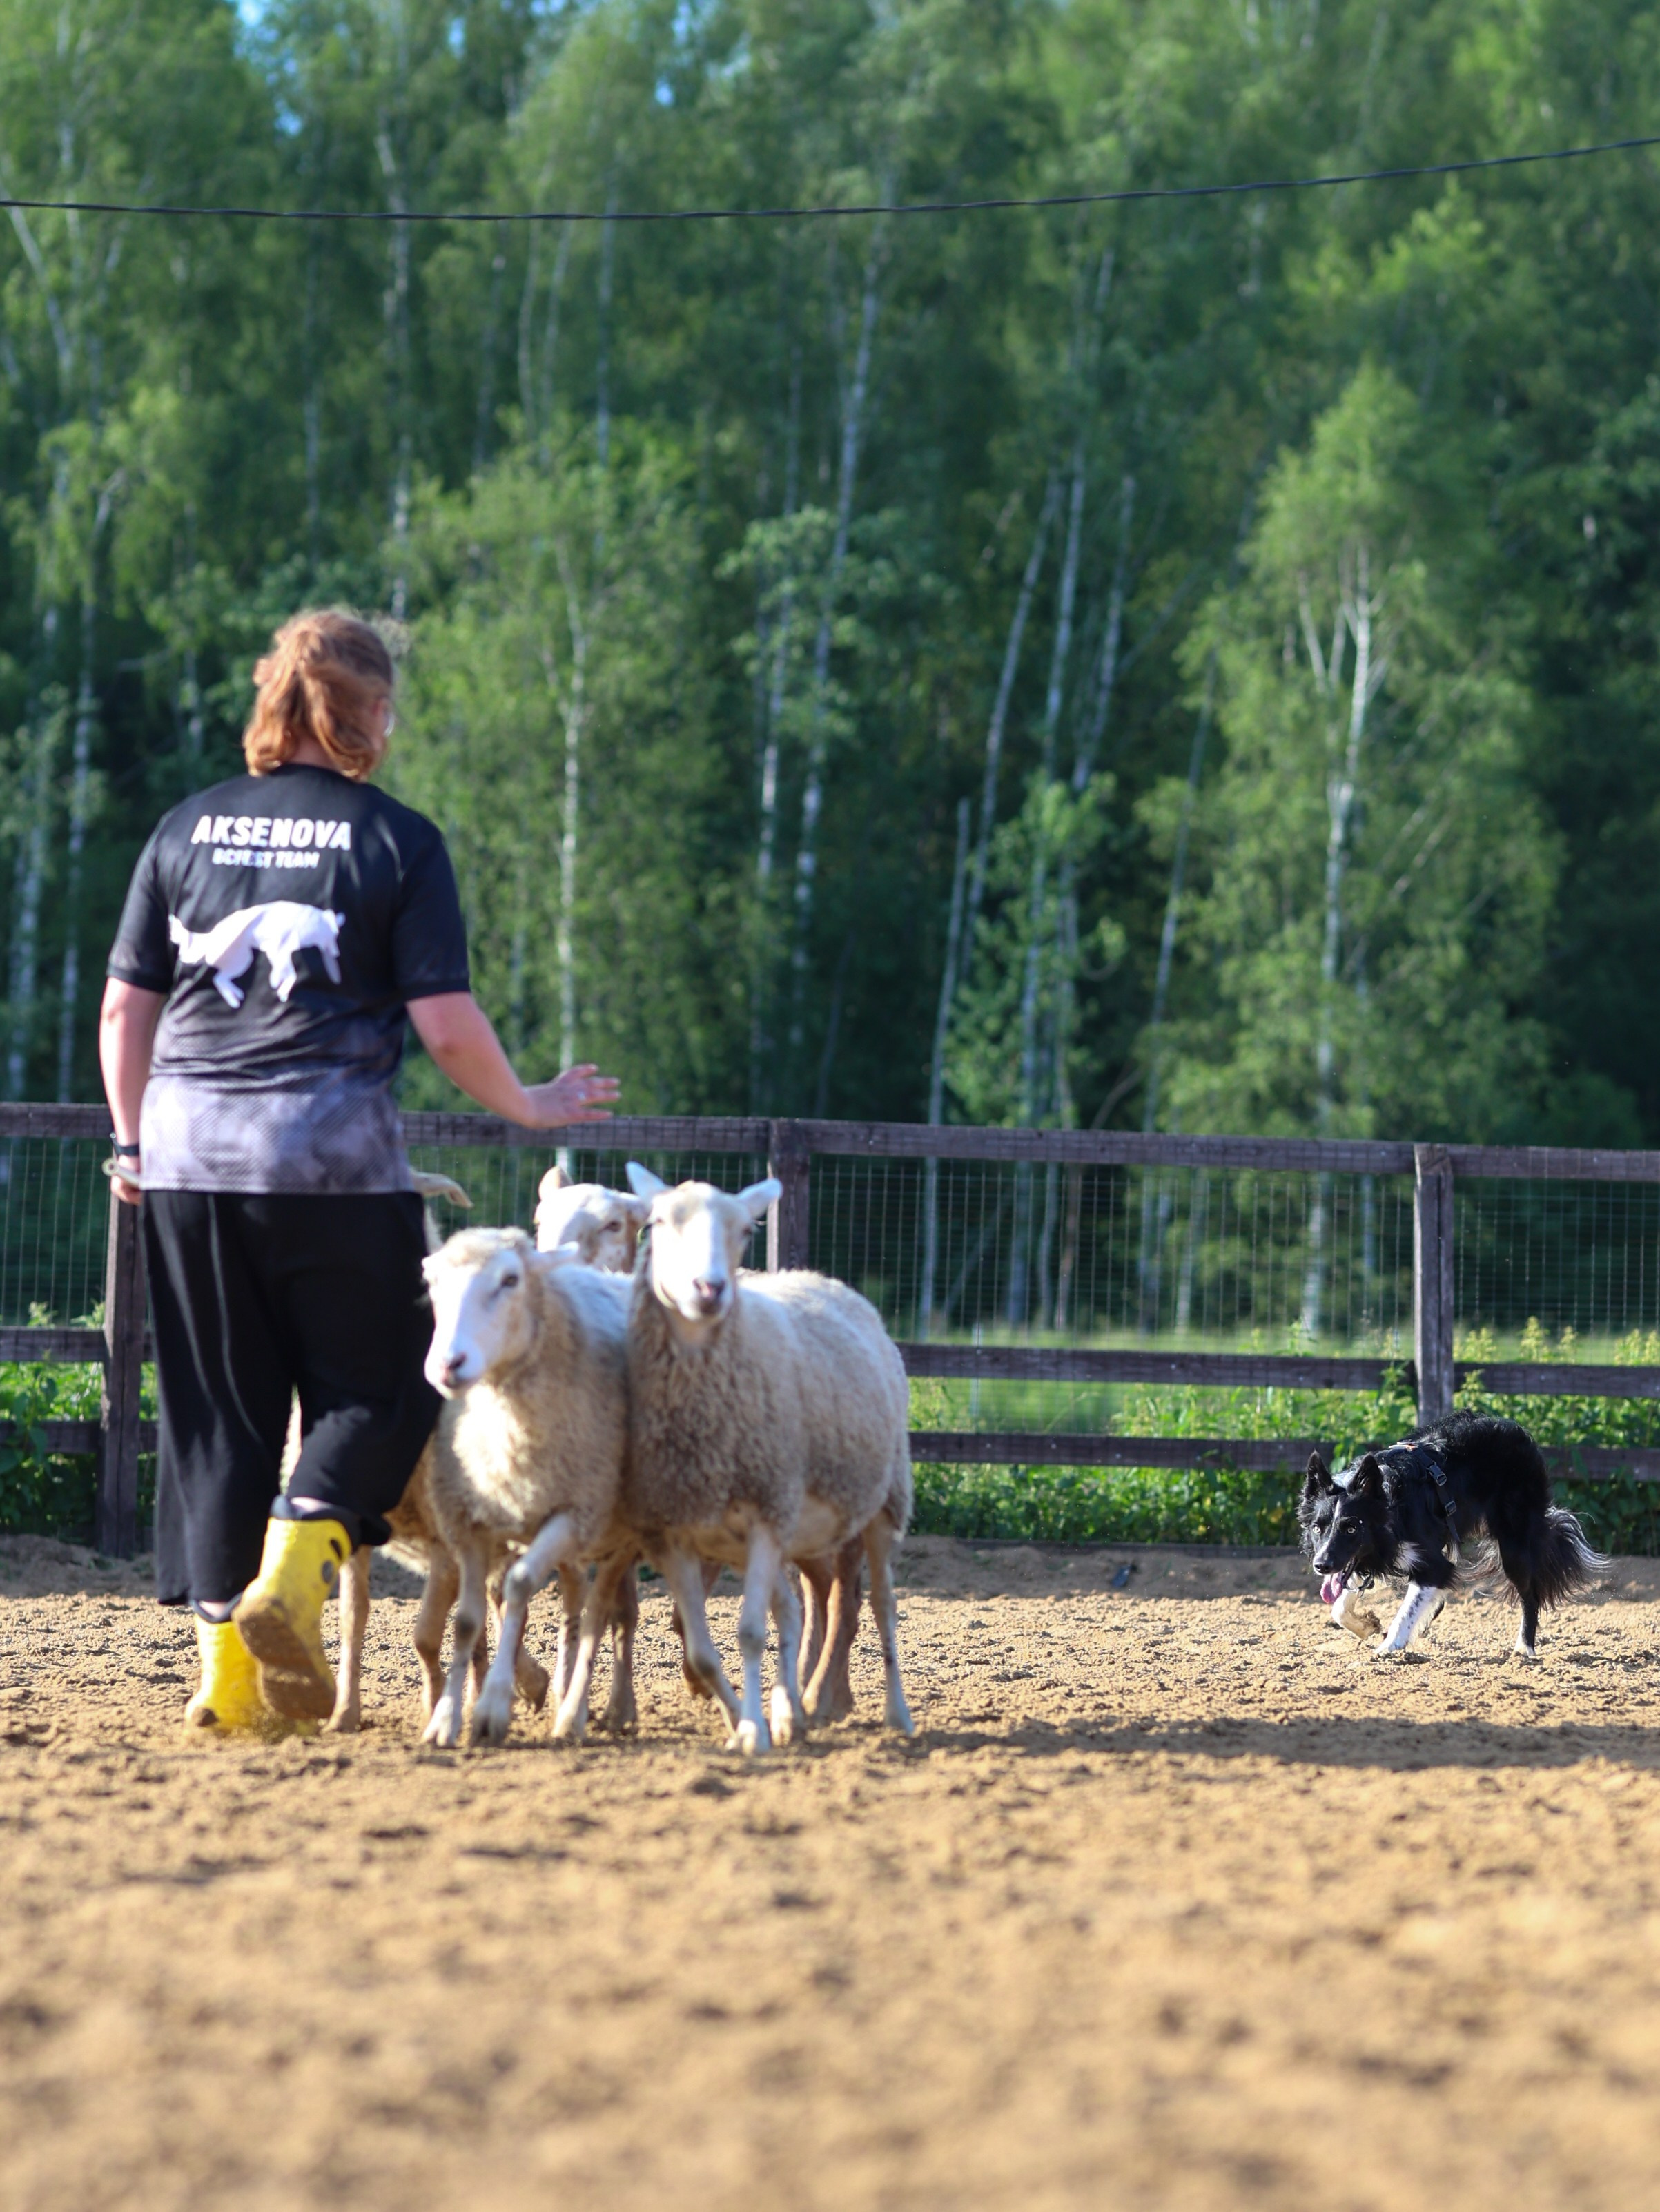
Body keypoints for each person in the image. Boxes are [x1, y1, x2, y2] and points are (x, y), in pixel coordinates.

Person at [99, 608, 618, 1731]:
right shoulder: (394, 840)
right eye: (386, 704)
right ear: (361, 711)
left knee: (217, 1417)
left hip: (185, 1162)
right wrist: (528, 1103)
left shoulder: (184, 829)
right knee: (385, 1384)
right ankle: (292, 1576)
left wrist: (132, 1138)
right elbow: (444, 1021)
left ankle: (227, 1680)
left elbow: (124, 1005)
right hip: (328, 1163)